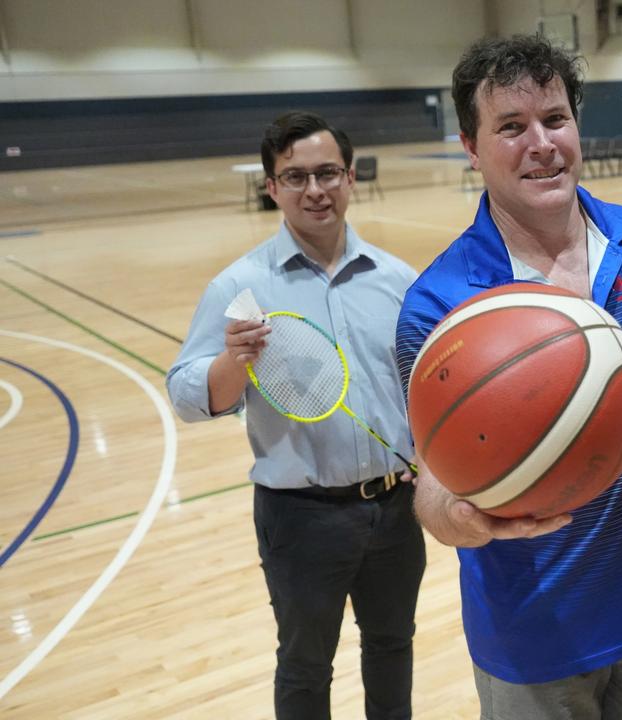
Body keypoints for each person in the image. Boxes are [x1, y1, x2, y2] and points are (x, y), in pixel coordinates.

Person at [394, 35, 622, 719]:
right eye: (510, 127)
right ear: (470, 146)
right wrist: (463, 521)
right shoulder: (441, 304)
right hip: (530, 640)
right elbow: (432, 484)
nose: (542, 143)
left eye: (555, 118)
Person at [167, 111, 425, 720]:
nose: (315, 189)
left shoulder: (397, 279)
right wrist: (233, 363)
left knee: (393, 646)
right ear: (271, 187)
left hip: (395, 509)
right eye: (296, 176)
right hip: (302, 518)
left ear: (351, 176)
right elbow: (184, 394)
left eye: (327, 172)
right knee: (306, 666)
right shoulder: (241, 285)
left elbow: (425, 385)